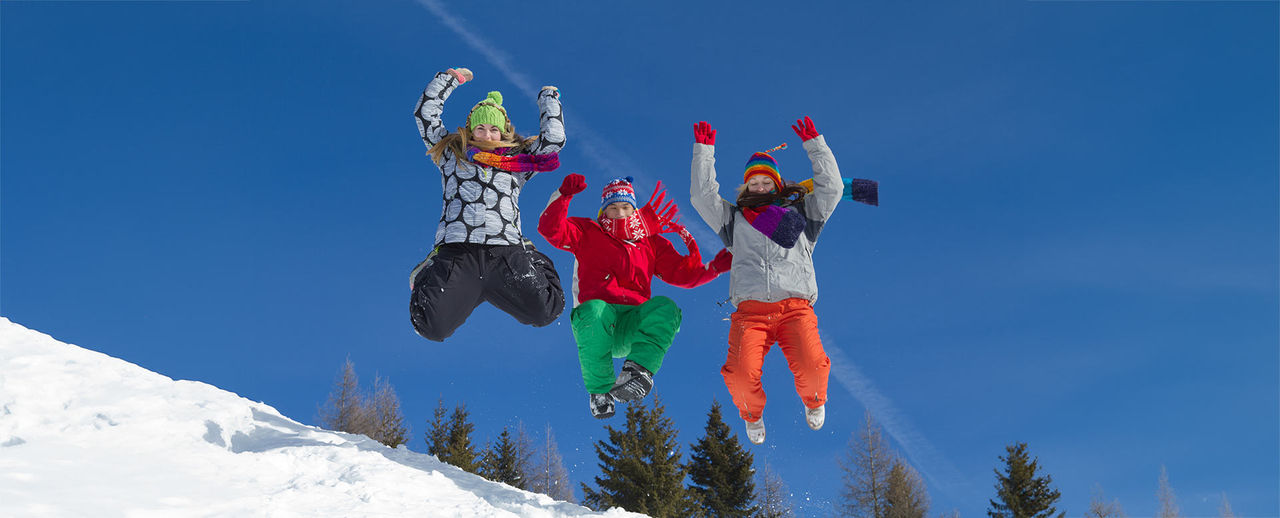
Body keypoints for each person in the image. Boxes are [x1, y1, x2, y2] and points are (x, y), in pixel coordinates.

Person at [689, 117, 856, 445]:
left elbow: (833, 188)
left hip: (795, 307)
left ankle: (815, 402)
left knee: (812, 367)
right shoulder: (735, 220)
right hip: (750, 312)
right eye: (755, 183)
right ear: (746, 187)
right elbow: (702, 196)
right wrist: (703, 152)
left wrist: (816, 146)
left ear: (778, 185)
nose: (760, 188)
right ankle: (752, 414)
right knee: (738, 375)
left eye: (767, 182)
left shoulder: (802, 215)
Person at [539, 174, 731, 418]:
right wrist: (563, 195)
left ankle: (637, 371)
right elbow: (550, 229)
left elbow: (683, 275)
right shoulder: (587, 231)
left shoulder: (649, 243)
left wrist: (713, 269)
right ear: (603, 211)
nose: (620, 213)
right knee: (595, 309)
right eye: (613, 208)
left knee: (666, 307)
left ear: (634, 209)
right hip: (597, 323)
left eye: (625, 207)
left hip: (632, 324)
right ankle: (600, 393)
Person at [409, 67, 566, 342]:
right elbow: (425, 114)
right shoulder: (452, 154)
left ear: (503, 132)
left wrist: (548, 98)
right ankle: (429, 272)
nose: (486, 134)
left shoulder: (519, 163)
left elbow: (553, 141)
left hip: (505, 253)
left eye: (493, 129)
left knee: (547, 309)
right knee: (430, 326)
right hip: (459, 254)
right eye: (480, 127)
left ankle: (530, 254)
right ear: (470, 130)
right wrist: (450, 79)